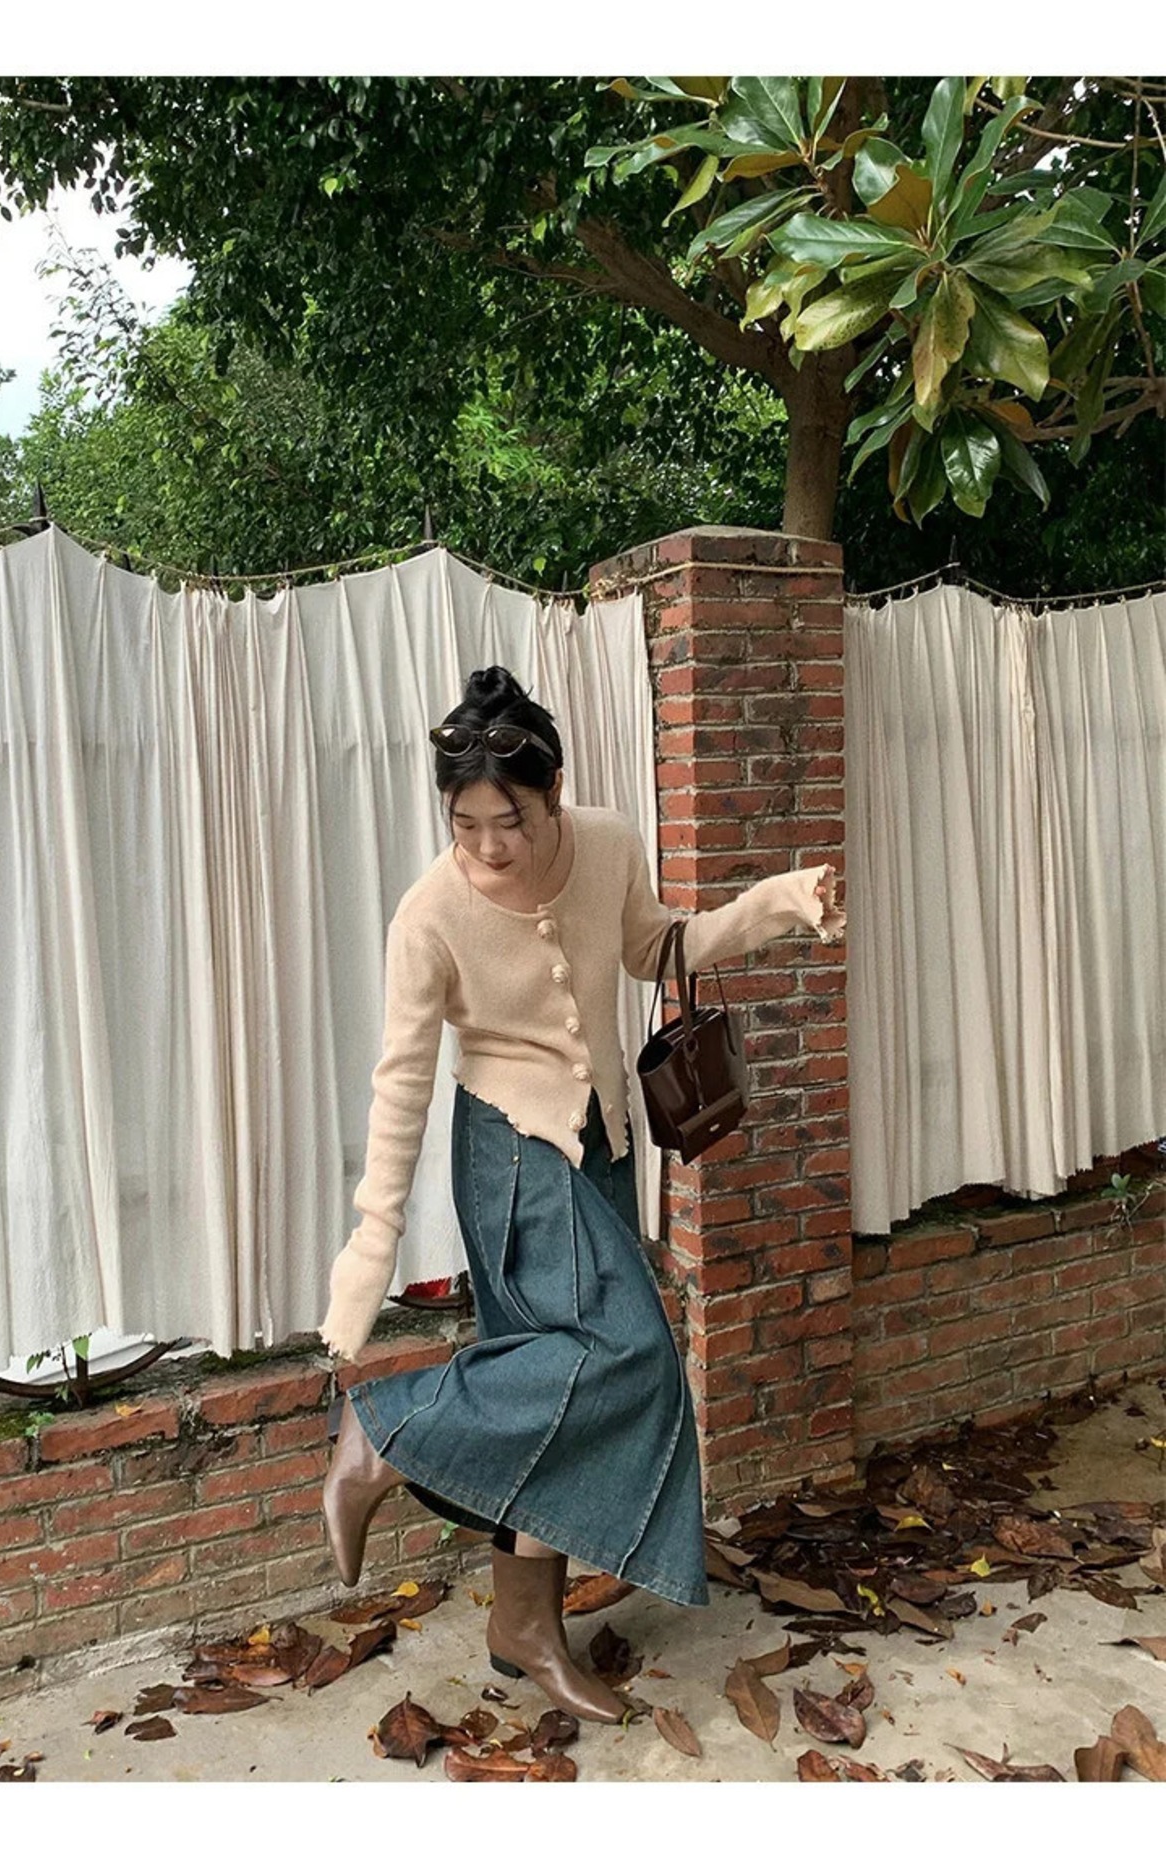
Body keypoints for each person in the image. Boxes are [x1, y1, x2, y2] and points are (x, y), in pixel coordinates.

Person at [317, 666, 844, 1722]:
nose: (486, 847)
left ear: (551, 792)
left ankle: (523, 1628)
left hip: (598, 1140)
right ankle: (384, 1429)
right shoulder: (428, 915)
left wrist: (777, 904)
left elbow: (657, 947)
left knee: (557, 1398)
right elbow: (400, 1083)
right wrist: (370, 1251)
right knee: (628, 1352)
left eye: (506, 821)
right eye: (464, 825)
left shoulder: (605, 844)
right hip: (509, 1160)